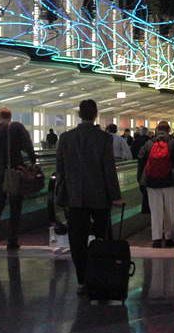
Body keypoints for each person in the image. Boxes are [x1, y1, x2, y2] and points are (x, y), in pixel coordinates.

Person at [56, 100, 123, 293]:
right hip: (99, 197)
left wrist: (61, 194)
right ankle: (101, 276)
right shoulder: (104, 138)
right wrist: (115, 196)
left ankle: (82, 280)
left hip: (74, 197)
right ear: (95, 115)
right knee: (102, 237)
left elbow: (60, 169)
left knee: (77, 240)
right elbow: (108, 169)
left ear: (79, 114)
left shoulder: (66, 138)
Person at [0, 107, 35, 250]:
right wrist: (33, 162)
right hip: (15, 173)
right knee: (15, 207)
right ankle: (12, 241)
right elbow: (28, 147)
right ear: (10, 116)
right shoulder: (17, 128)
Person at [138, 121, 174, 248]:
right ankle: (169, 237)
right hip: (170, 182)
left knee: (156, 211)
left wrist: (141, 180)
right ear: (169, 130)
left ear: (157, 130)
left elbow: (141, 159)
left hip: (152, 183)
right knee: (169, 210)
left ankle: (157, 239)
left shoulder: (149, 144)